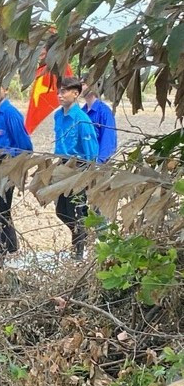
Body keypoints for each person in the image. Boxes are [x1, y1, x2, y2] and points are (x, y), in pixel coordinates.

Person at [0, 78, 33, 267]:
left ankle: (0, 259)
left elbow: (25, 146)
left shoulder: (11, 114)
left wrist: (17, 168)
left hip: (6, 166)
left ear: (6, 90)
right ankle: (10, 244)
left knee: (1, 212)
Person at [54, 77, 100, 257]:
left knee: (76, 209)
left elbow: (90, 150)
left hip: (78, 168)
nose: (60, 95)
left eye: (64, 91)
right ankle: (81, 235)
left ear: (75, 93)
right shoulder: (58, 115)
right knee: (61, 211)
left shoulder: (82, 120)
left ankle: (79, 251)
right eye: (59, 92)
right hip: (62, 166)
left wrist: (89, 174)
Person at [81, 82, 118, 164]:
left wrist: (100, 161)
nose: (79, 87)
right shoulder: (81, 112)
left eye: (83, 84)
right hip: (82, 160)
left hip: (97, 162)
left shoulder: (104, 111)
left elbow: (108, 138)